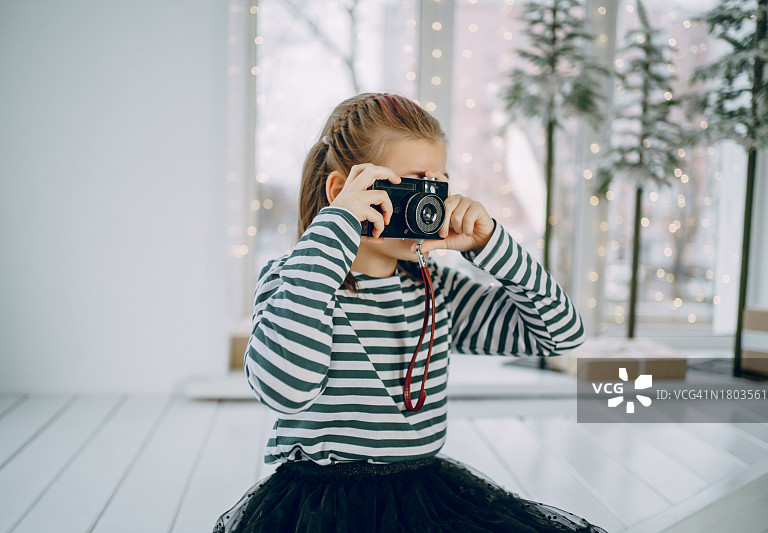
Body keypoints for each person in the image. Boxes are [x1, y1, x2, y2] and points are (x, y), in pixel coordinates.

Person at [214, 93, 607, 533]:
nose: (430, 203)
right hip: (320, 506)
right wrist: (335, 229)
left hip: (423, 497)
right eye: (414, 184)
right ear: (343, 191)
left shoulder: (436, 287)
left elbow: (561, 335)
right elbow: (285, 389)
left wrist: (492, 245)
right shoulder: (295, 280)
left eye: (439, 185)